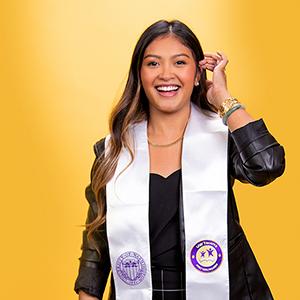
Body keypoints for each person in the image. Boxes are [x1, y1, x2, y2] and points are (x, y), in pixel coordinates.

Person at [74, 19, 285, 300]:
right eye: (153, 63)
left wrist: (224, 100)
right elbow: (96, 245)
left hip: (224, 289)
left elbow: (268, 165)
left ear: (197, 74)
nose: (166, 74)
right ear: (140, 74)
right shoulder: (113, 149)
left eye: (180, 62)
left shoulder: (223, 139)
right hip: (139, 292)